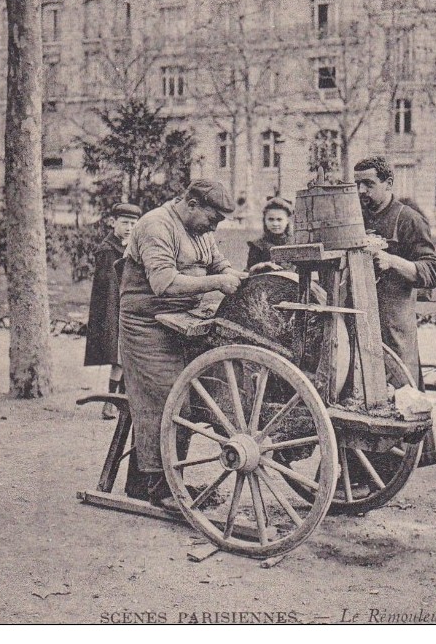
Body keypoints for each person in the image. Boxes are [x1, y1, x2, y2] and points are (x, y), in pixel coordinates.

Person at [118, 180, 247, 509]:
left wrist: (243, 275)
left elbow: (220, 264)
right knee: (170, 404)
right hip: (146, 325)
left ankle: (143, 482)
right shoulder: (155, 225)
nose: (214, 227)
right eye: (212, 219)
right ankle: (161, 489)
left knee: (191, 399)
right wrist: (218, 283)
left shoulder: (200, 229)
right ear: (191, 203)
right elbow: (163, 283)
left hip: (183, 322)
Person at [353, 155, 436, 466]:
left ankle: (397, 464)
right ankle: (358, 465)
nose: (362, 191)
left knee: (398, 389)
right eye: (358, 184)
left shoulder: (408, 219)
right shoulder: (355, 217)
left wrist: (393, 261)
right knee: (355, 392)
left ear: (389, 184)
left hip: (393, 320)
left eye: (369, 184)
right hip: (360, 317)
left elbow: (432, 271)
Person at [84, 202, 141, 419]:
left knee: (128, 357)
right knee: (119, 358)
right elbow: (108, 287)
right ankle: (109, 403)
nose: (129, 228)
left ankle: (122, 403)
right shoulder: (108, 251)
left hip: (128, 306)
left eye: (133, 224)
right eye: (124, 223)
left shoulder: (131, 247)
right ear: (113, 223)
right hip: (113, 309)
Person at [246, 196, 293, 273]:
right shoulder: (257, 246)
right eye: (271, 219)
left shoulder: (294, 243)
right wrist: (262, 265)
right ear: (264, 220)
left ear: (287, 220)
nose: (275, 224)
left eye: (279, 219)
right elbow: (247, 273)